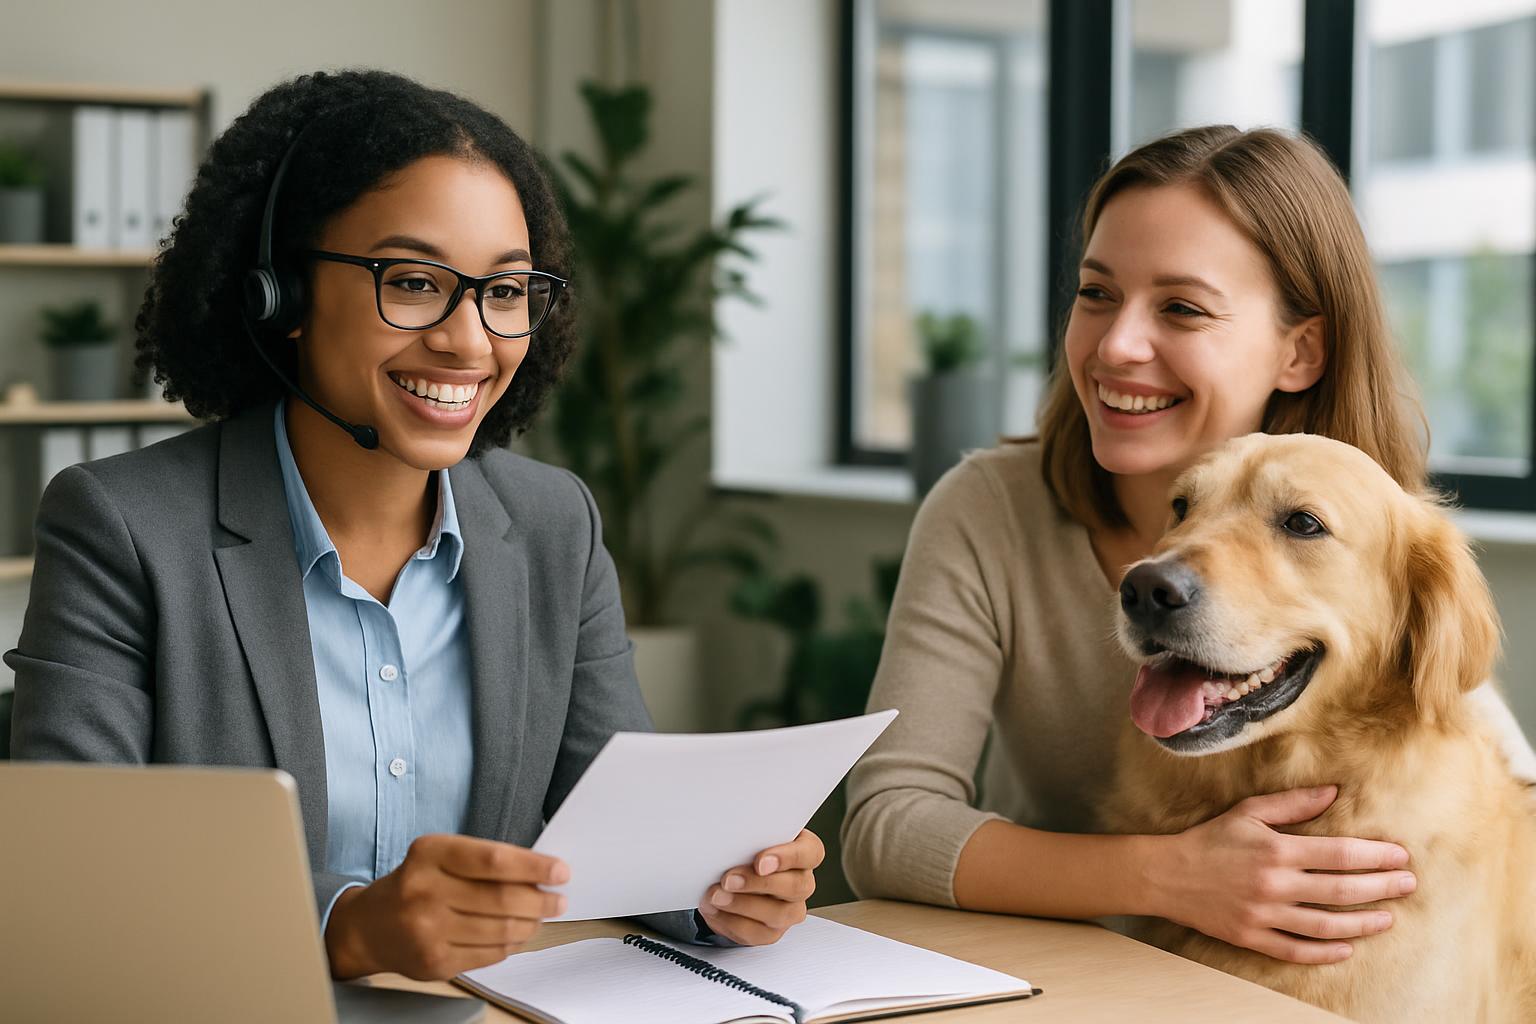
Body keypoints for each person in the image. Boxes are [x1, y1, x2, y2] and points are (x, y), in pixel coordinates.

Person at [6, 69, 821, 981]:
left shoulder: (555, 525)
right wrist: (347, 929)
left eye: (505, 292)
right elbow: (76, 888)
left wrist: (718, 889)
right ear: (280, 297)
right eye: (415, 281)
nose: (469, 341)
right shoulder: (121, 527)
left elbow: (615, 827)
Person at [842, 125, 1536, 965]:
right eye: (1097, 293)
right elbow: (888, 822)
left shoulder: (1368, 531)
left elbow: (1508, 791)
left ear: (1299, 349)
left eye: (1181, 308)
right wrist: (1166, 877)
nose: (1115, 346)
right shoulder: (988, 512)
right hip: (1059, 974)